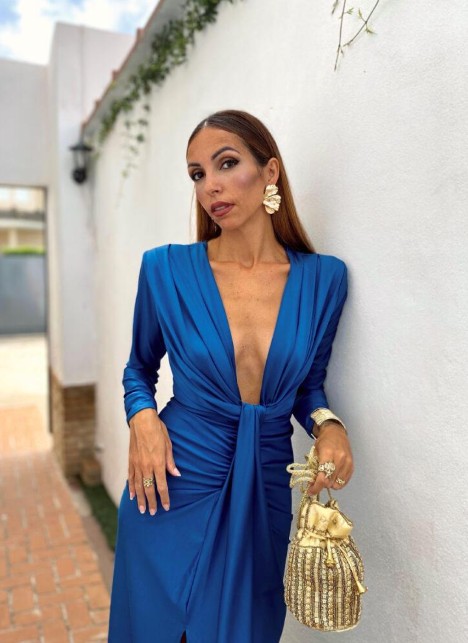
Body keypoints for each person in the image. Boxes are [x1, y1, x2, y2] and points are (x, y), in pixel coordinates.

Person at [108, 109, 353, 643]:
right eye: (197, 174)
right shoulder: (165, 270)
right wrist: (142, 419)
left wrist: (330, 426)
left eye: (226, 164)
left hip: (263, 487)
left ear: (270, 172)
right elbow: (138, 369)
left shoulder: (323, 280)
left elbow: (309, 387)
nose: (210, 186)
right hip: (171, 483)